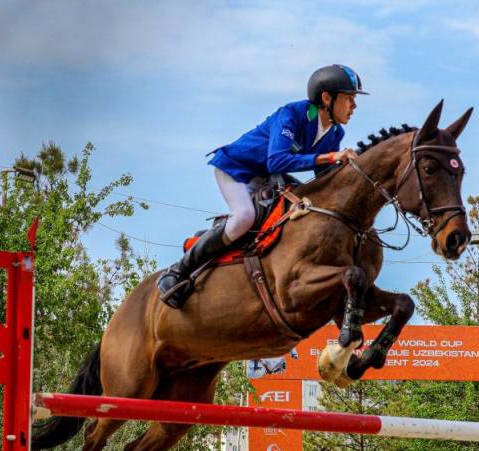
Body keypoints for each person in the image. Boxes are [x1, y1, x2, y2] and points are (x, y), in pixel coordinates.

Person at [157, 65, 367, 308]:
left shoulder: (334, 133)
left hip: (269, 176)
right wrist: (330, 157)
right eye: (349, 98)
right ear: (327, 98)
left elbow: (323, 178)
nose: (354, 106)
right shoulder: (292, 114)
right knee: (244, 217)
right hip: (237, 168)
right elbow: (276, 159)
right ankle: (178, 271)